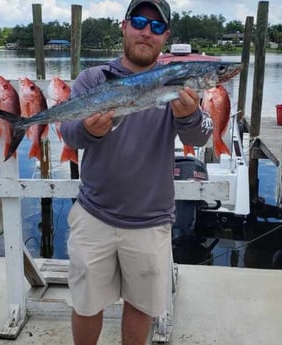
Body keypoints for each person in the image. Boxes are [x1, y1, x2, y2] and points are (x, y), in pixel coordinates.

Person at [60, 0, 212, 344]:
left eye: (157, 27)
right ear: (124, 25)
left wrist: (189, 114)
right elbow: (68, 132)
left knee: (141, 307)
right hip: (93, 215)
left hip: (150, 220)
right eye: (140, 22)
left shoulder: (178, 83)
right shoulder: (93, 78)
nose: (147, 32)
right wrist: (90, 131)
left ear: (166, 36)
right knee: (85, 305)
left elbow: (200, 134)